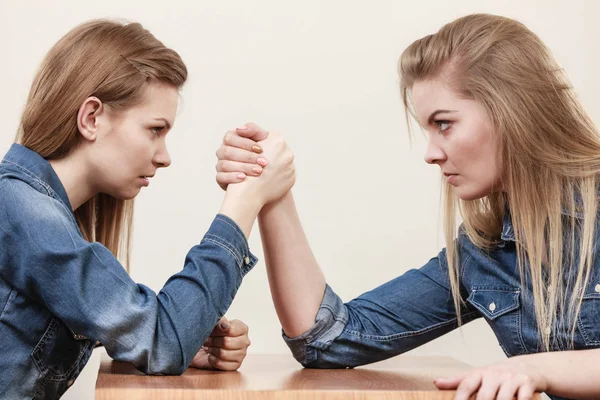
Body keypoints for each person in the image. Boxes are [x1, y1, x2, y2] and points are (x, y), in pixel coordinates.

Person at [215, 14, 600, 400]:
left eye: (445, 124)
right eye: (427, 130)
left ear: (512, 111)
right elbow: (327, 339)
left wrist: (535, 368)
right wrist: (271, 186)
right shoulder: (483, 253)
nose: (431, 154)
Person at [0, 20, 295, 399]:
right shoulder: (21, 208)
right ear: (92, 118)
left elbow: (158, 337)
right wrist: (245, 201)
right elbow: (163, 339)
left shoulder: (30, 209)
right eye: (155, 129)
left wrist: (190, 336)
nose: (165, 157)